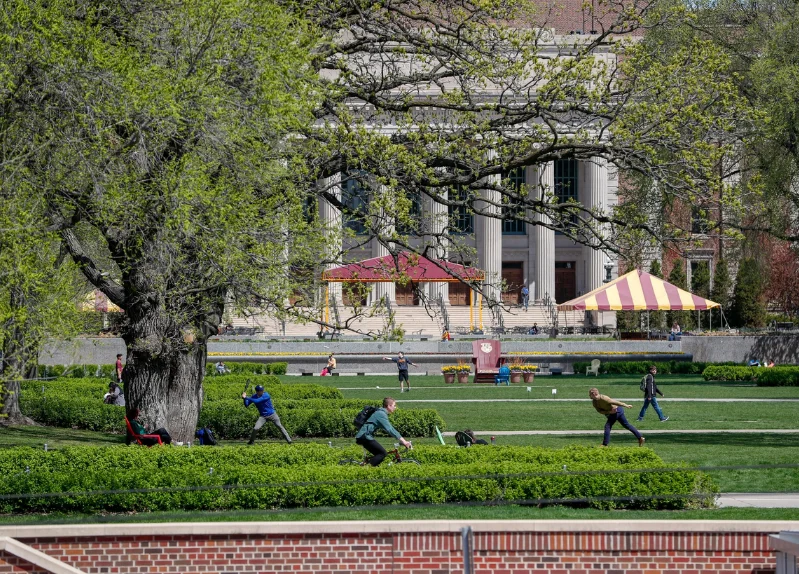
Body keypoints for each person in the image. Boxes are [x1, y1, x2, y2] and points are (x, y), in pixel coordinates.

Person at [355, 397, 412, 466]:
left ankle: (369, 467)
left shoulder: (381, 413)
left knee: (378, 456)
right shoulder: (381, 414)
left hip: (364, 436)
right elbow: (390, 429)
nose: (395, 408)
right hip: (364, 436)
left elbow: (389, 429)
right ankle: (366, 470)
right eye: (394, 406)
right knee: (382, 453)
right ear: (388, 406)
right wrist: (404, 441)